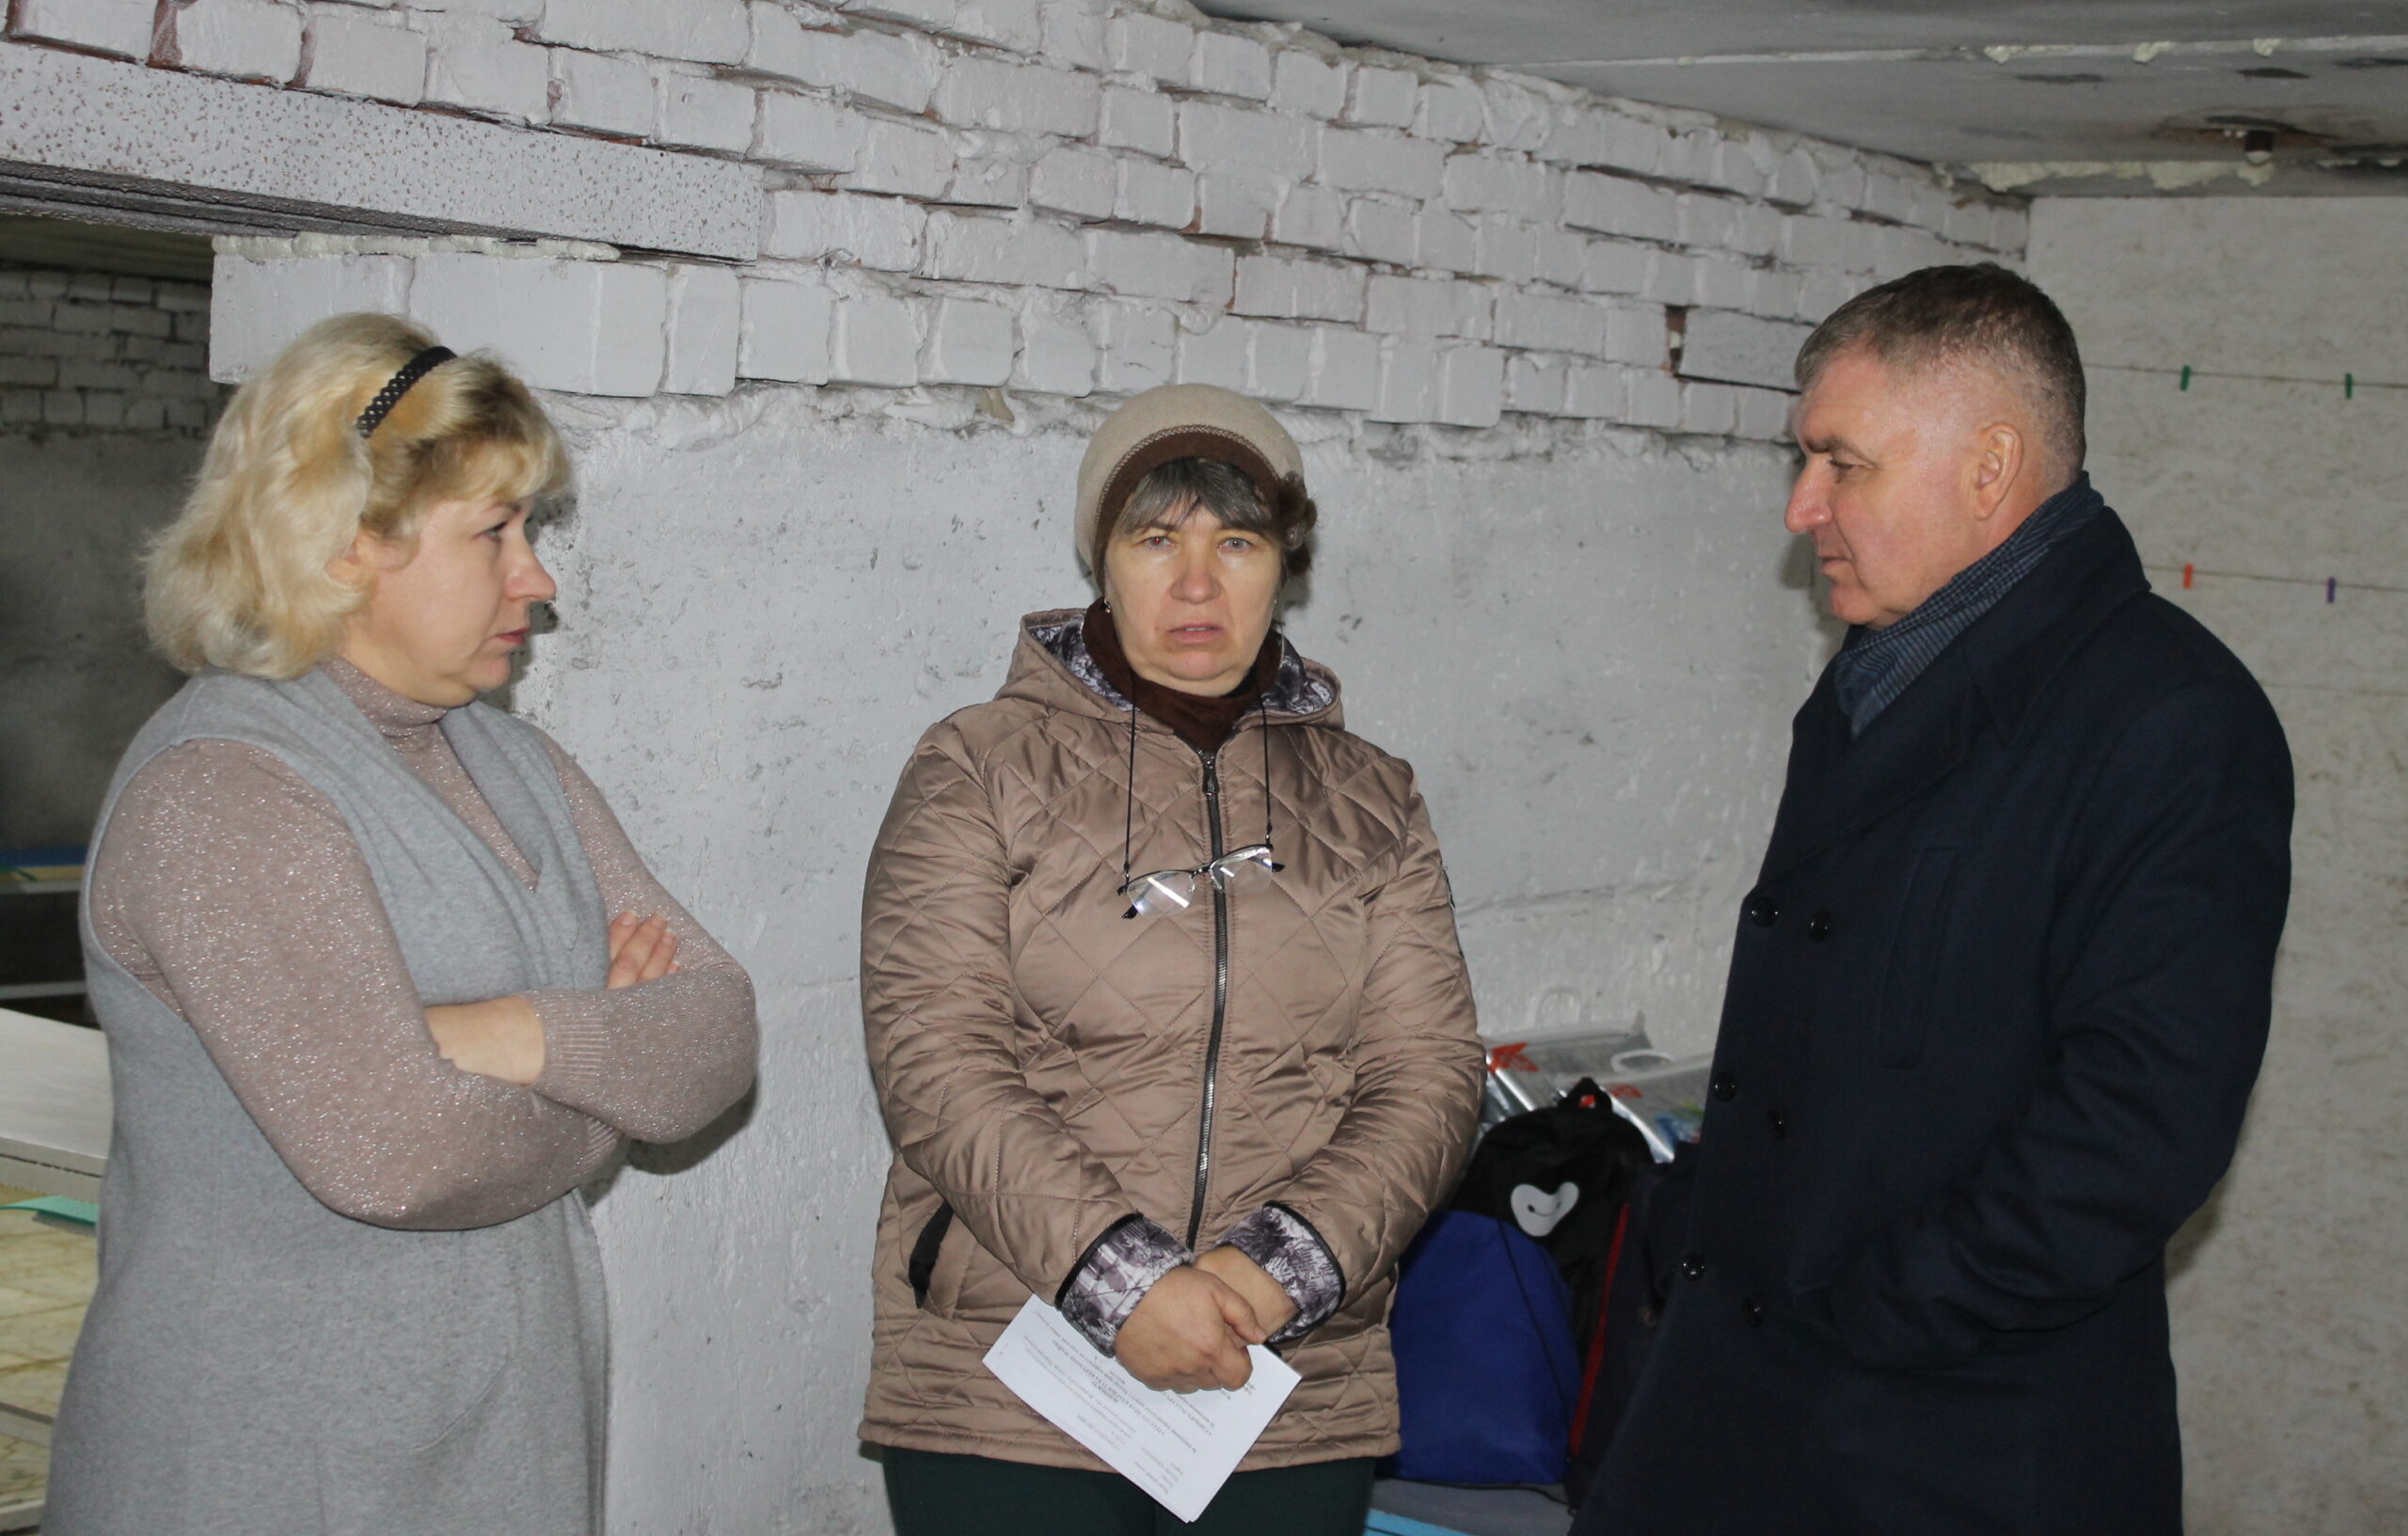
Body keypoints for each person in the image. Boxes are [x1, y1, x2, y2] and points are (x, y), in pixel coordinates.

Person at [1576, 264, 2293, 1535]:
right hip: (1742, 1404)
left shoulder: (2172, 718)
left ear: (1990, 466)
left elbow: (2135, 1128)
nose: (1803, 508)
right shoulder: (1882, 673)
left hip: (1949, 1442)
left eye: (1842, 464)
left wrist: (1878, 1314)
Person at [46, 314, 758, 1536]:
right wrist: (610, 1077)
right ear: (343, 543)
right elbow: (400, 1155)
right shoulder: (226, 791)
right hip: (265, 1467)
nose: (537, 578)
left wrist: (508, 1034)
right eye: (494, 533)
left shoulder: (520, 765)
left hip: (499, 1448)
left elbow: (720, 1035)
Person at [857, 383, 1484, 1534]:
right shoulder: (977, 768)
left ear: (1285, 566)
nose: (1197, 585)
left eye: (1236, 543)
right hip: (1011, 1369)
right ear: (1101, 561)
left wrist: (1277, 1271)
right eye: (1157, 541)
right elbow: (936, 1065)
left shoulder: (1372, 799)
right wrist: (1122, 1281)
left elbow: (1430, 1076)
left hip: (1282, 1376)